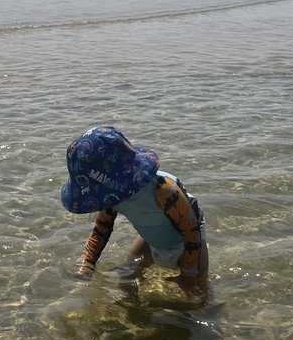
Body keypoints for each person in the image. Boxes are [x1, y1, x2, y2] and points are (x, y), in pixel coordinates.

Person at [61, 126, 209, 299]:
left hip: (187, 242)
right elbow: (102, 228)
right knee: (126, 274)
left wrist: (189, 274)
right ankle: (129, 310)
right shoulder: (111, 198)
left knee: (198, 293)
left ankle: (211, 320)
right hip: (151, 239)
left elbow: (191, 230)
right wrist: (87, 263)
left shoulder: (162, 189)